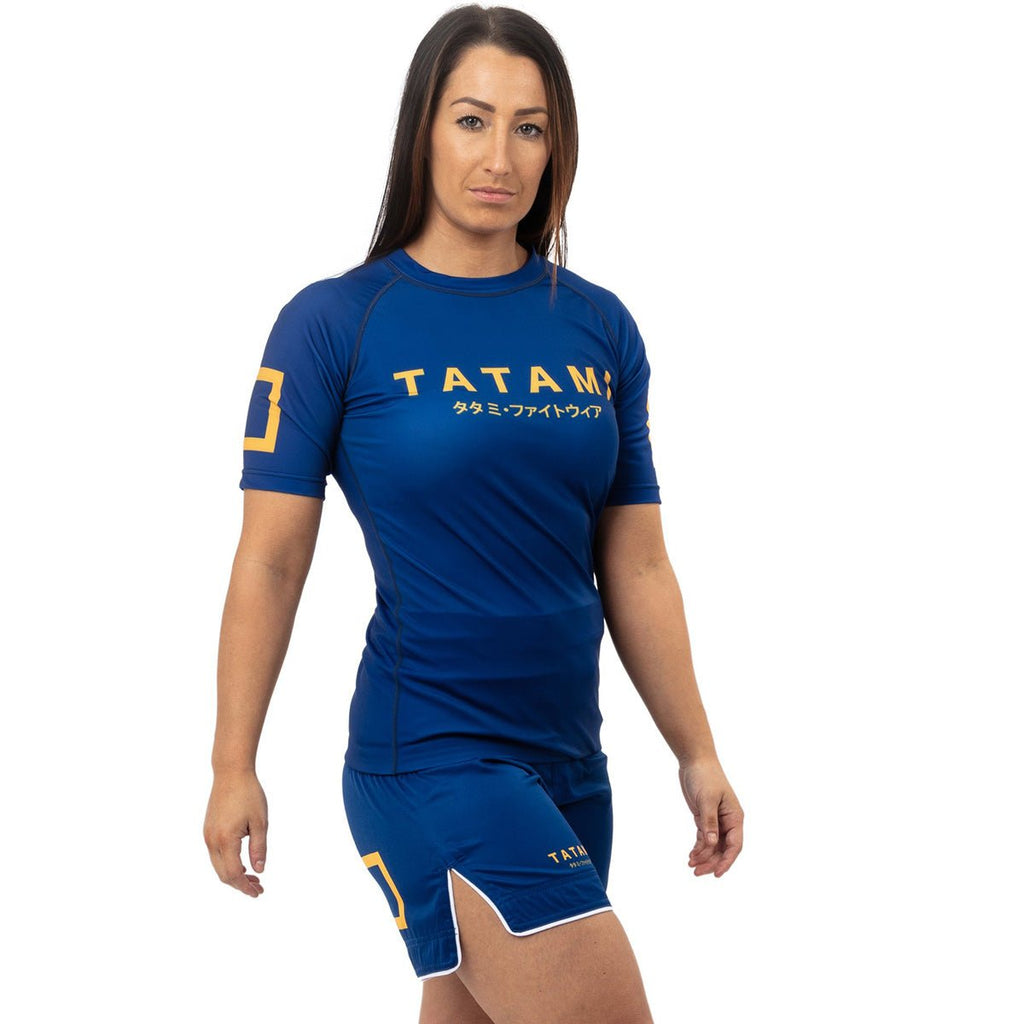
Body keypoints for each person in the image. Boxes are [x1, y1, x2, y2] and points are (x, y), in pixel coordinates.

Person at [203, 5, 743, 1021]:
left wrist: (695, 748)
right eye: (472, 120)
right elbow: (271, 561)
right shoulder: (333, 322)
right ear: (423, 130)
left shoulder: (598, 325)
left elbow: (636, 565)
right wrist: (234, 762)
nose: (500, 156)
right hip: (429, 753)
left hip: (569, 763)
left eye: (529, 127)